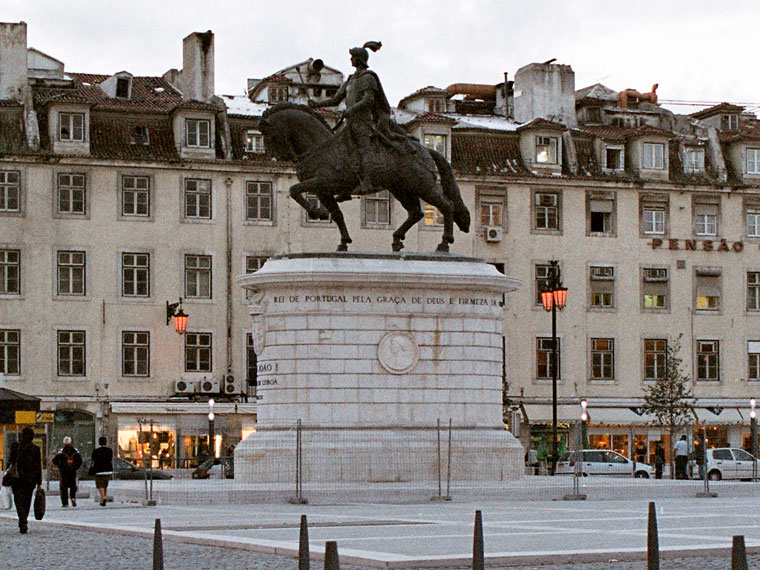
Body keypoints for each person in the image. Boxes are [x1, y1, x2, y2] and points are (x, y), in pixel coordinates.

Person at [309, 41, 412, 200]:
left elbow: (368, 100)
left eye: (352, 57)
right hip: (350, 123)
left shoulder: (368, 78)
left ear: (359, 59)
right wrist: (317, 105)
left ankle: (368, 181)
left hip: (364, 123)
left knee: (364, 149)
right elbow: (335, 100)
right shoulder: (350, 80)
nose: (350, 60)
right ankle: (345, 186)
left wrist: (351, 109)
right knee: (339, 151)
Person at [8, 426, 42, 534]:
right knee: (27, 501)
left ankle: (22, 520)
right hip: (30, 479)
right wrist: (39, 482)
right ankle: (23, 520)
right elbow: (38, 466)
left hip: (17, 478)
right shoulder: (35, 449)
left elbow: (10, 461)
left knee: (18, 500)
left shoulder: (15, 446)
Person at [52, 436, 83, 507]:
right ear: (71, 442)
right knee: (73, 485)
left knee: (64, 487)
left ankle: (65, 503)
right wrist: (75, 467)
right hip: (72, 471)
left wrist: (60, 466)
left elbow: (54, 461)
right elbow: (80, 461)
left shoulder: (61, 451)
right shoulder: (75, 451)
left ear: (64, 443)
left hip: (63, 471)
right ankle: (72, 497)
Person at [90, 436, 113, 507]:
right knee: (105, 484)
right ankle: (103, 498)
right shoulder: (109, 450)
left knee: (100, 485)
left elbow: (93, 460)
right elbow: (110, 459)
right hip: (108, 469)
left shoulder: (96, 451)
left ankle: (103, 497)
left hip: (99, 469)